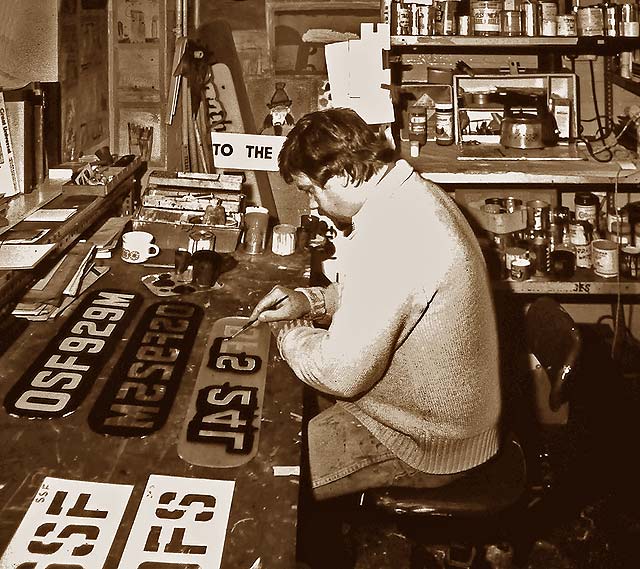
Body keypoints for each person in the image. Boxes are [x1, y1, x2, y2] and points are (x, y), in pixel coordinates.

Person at [250, 107, 502, 501]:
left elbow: (340, 374)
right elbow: (385, 300)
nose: (314, 204)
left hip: (428, 444)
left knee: (263, 476)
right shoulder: (407, 195)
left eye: (312, 190)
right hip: (427, 416)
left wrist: (290, 336)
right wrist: (310, 301)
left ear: (344, 175)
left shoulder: (395, 235)